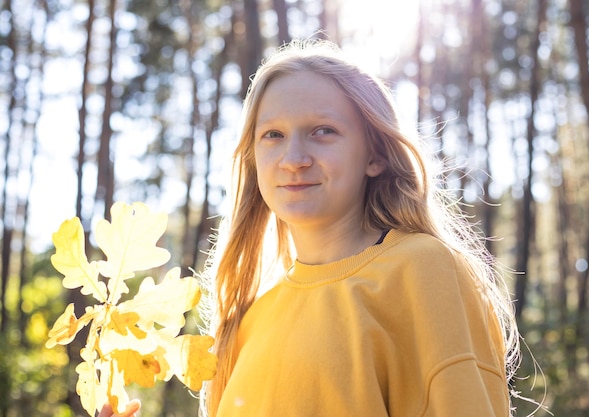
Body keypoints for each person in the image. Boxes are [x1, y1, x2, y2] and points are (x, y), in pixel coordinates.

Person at [101, 38, 521, 417]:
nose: (294, 157)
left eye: (323, 131)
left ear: (374, 155)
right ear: (253, 158)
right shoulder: (250, 317)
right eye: (273, 135)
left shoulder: (423, 269)